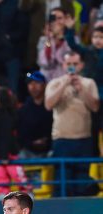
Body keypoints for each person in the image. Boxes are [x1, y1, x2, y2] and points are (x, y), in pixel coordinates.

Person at [44, 51, 100, 197]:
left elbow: (95, 106)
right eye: (69, 64)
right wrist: (64, 85)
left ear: (81, 65)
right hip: (62, 140)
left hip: (84, 140)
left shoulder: (89, 83)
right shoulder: (54, 83)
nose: (72, 67)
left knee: (82, 186)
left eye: (75, 64)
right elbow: (48, 105)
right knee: (63, 185)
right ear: (63, 65)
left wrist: (81, 89)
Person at [0, 88, 27, 198]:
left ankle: (27, 195)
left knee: (18, 177)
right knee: (0, 178)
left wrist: (4, 156)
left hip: (9, 155)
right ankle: (3, 196)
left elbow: (5, 136)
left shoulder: (5, 116)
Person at [17, 71, 52, 158]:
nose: (33, 87)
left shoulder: (52, 106)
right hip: (28, 150)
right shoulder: (24, 109)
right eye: (30, 84)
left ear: (44, 85)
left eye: (37, 83)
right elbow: (20, 133)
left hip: (49, 150)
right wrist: (32, 143)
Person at [38, 8, 74, 83]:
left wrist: (61, 37)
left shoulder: (73, 40)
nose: (57, 21)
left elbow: (71, 62)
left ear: (65, 20)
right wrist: (49, 39)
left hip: (66, 80)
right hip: (47, 81)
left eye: (60, 18)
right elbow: (44, 62)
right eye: (53, 18)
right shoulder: (44, 40)